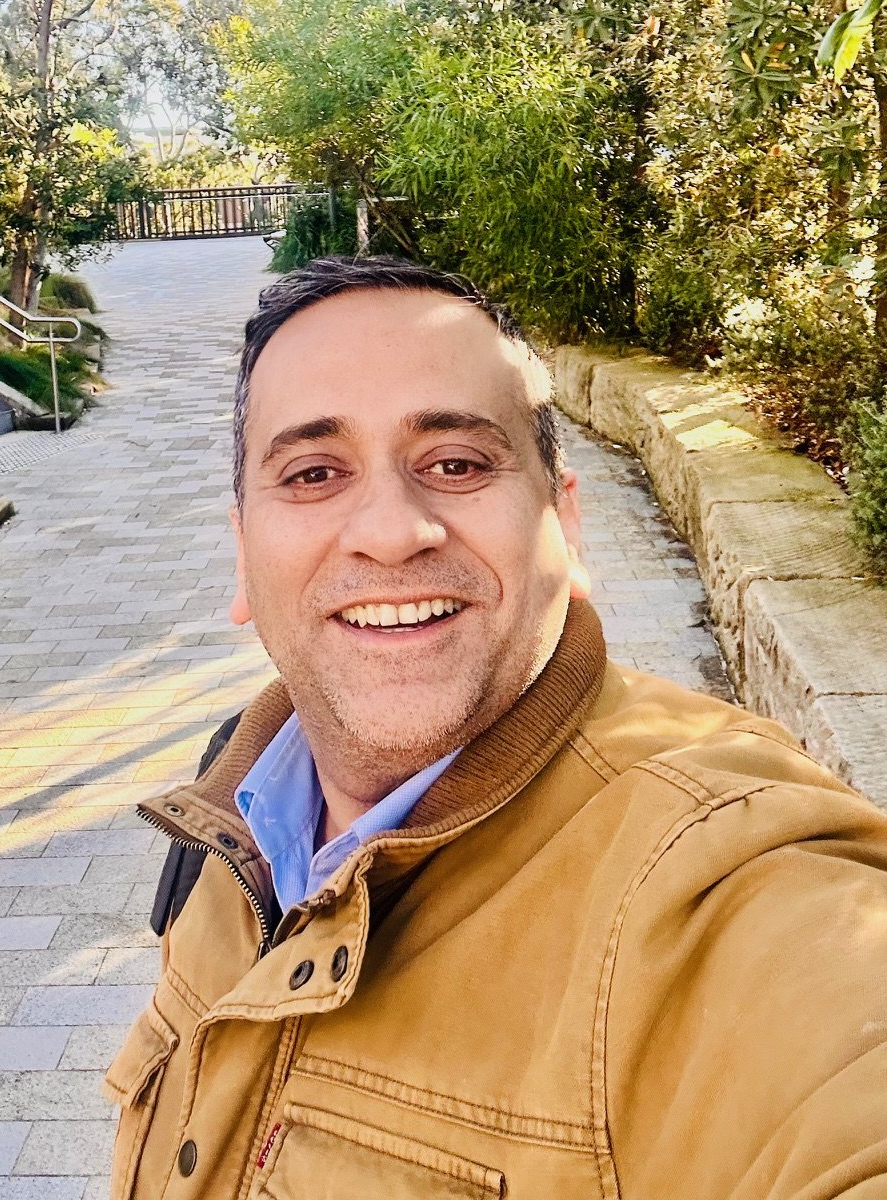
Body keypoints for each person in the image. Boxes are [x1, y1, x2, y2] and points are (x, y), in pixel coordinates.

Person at [105, 255, 887, 1200]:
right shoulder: (234, 813)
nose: (392, 531)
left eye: (457, 463)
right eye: (313, 473)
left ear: (565, 523)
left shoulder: (724, 881)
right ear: (242, 556)